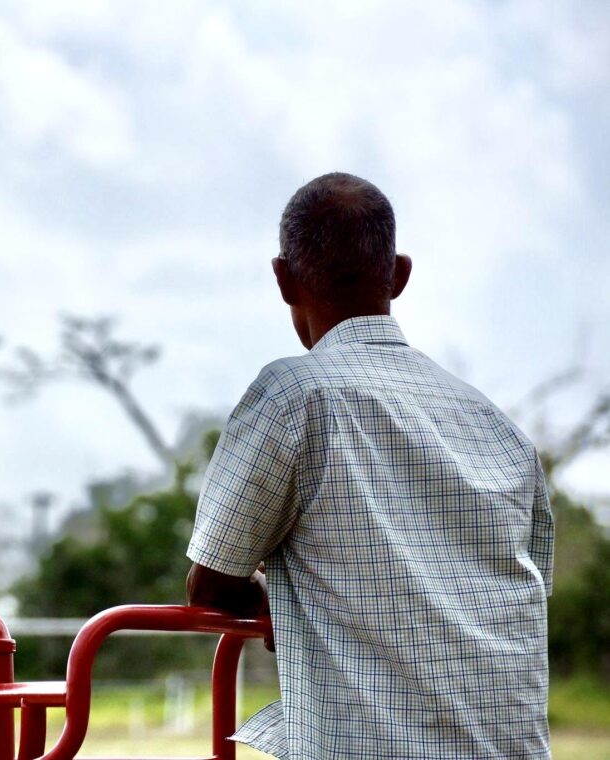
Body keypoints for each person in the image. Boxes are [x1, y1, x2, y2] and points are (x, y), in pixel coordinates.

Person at [185, 172, 553, 759]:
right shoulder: (499, 427)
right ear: (399, 274)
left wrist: (266, 601)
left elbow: (212, 580)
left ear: (283, 280)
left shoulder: (294, 394)